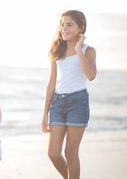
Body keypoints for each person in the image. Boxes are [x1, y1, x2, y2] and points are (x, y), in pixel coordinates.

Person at [41, 10, 97, 179]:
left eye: (69, 24)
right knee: (53, 153)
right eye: (62, 24)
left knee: (70, 152)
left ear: (81, 28)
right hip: (57, 103)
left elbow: (91, 75)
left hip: (78, 103)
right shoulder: (56, 49)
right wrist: (45, 113)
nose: (64, 28)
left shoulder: (88, 50)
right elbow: (52, 82)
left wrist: (78, 48)